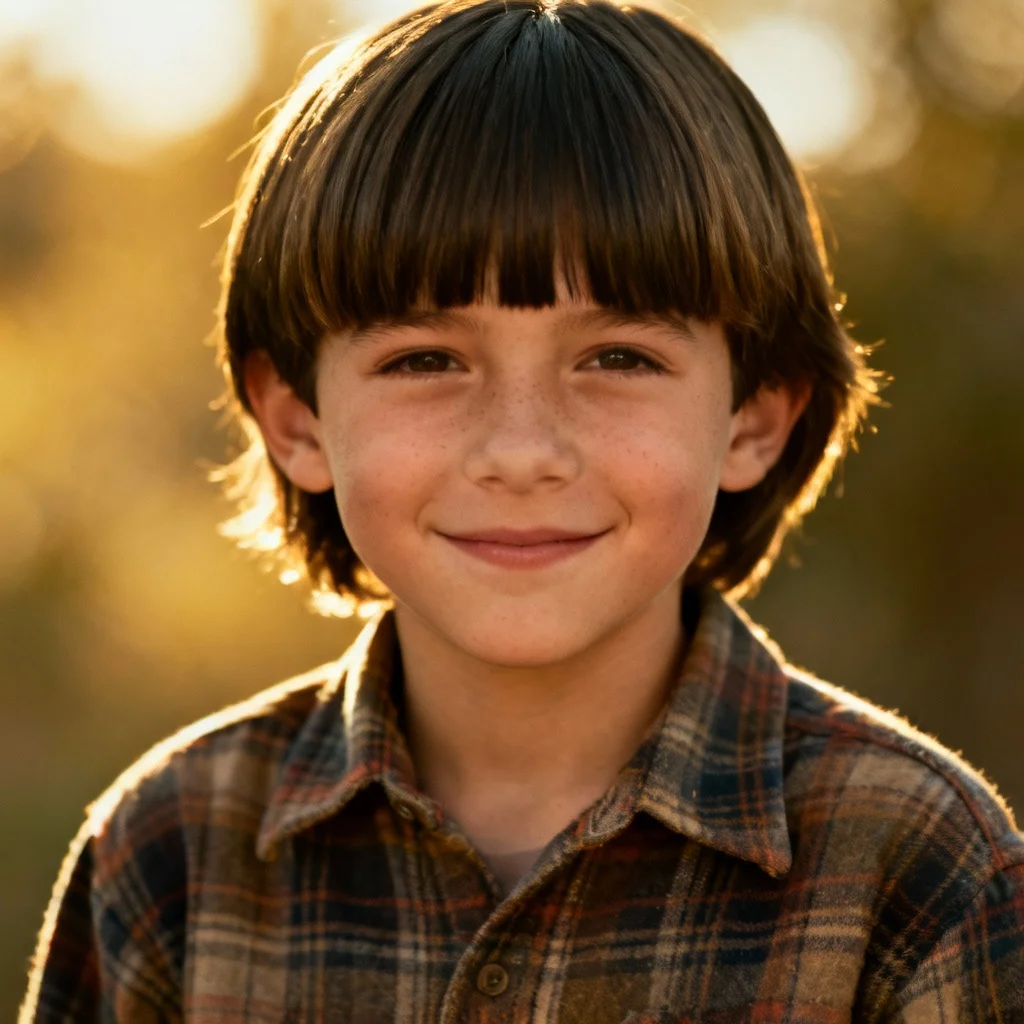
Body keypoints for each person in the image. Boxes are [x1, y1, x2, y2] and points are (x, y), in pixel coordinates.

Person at [21, 0, 1024, 1019]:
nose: (520, 452)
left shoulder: (918, 868)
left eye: (618, 358)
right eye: (425, 360)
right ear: (296, 419)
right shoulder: (170, 858)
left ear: (753, 418)